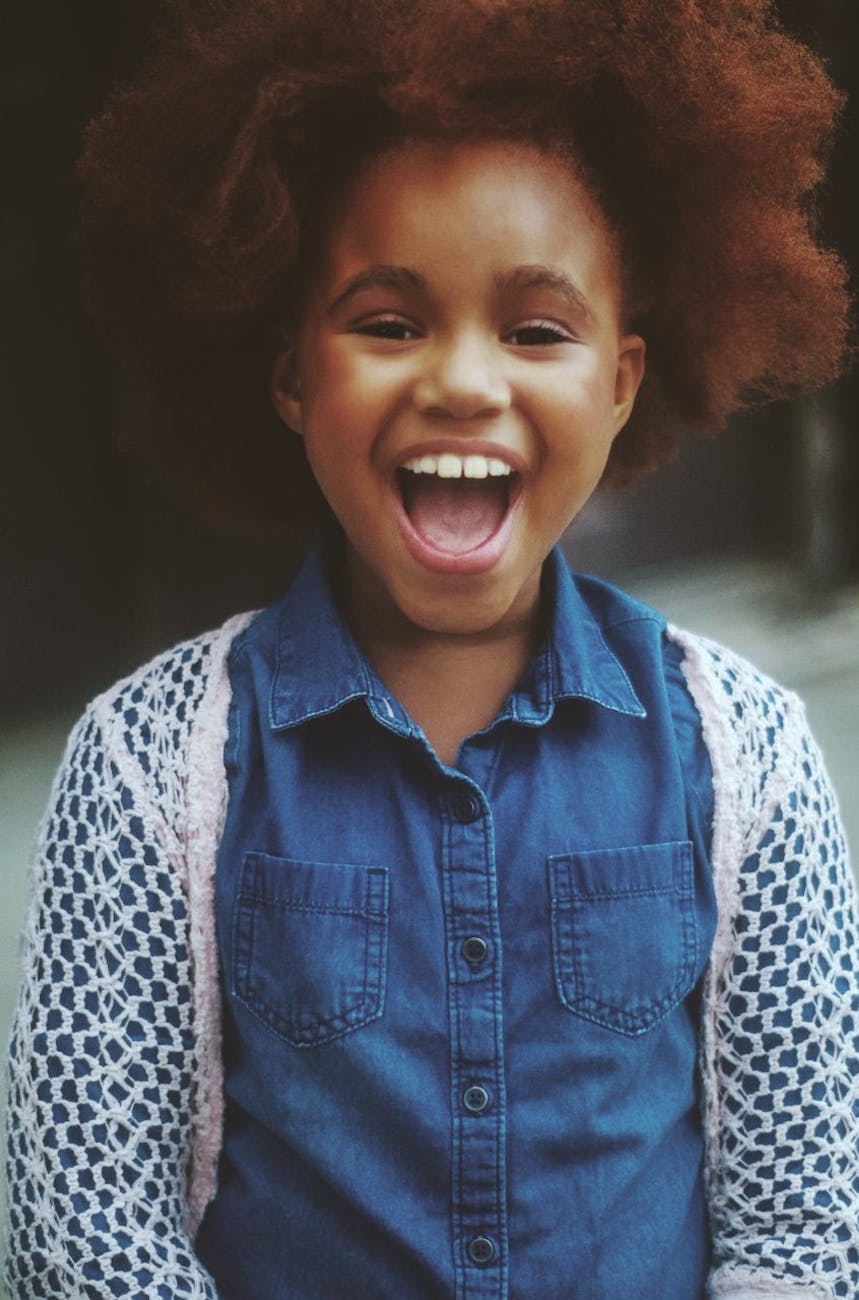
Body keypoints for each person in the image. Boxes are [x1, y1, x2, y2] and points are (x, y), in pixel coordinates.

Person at [4, 1, 858, 1296]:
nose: (465, 382)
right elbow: (89, 1233)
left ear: (624, 381)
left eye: (536, 330)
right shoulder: (146, 767)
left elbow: (806, 1220)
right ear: (290, 371)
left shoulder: (749, 759)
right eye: (389, 322)